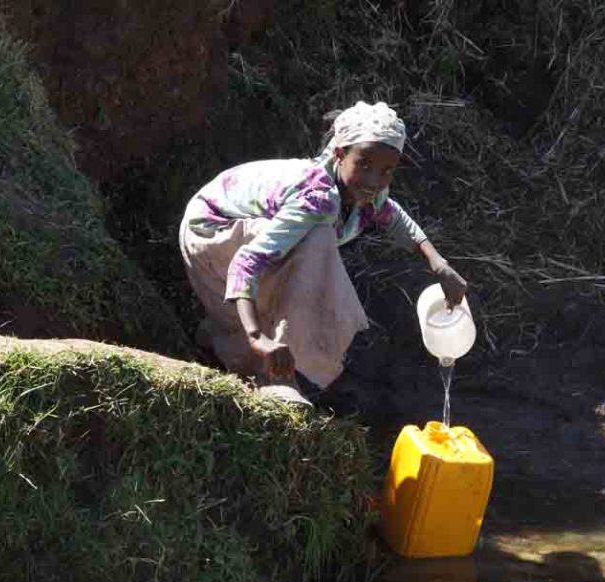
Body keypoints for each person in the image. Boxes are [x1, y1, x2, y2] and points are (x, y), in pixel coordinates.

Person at [178, 101, 467, 401]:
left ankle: (219, 334)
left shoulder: (368, 192)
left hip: (238, 241)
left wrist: (439, 265)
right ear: (340, 153)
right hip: (210, 234)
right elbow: (246, 261)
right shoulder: (317, 198)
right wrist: (257, 338)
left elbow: (395, 218)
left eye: (386, 171)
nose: (373, 181)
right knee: (315, 245)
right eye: (364, 165)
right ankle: (271, 376)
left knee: (305, 249)